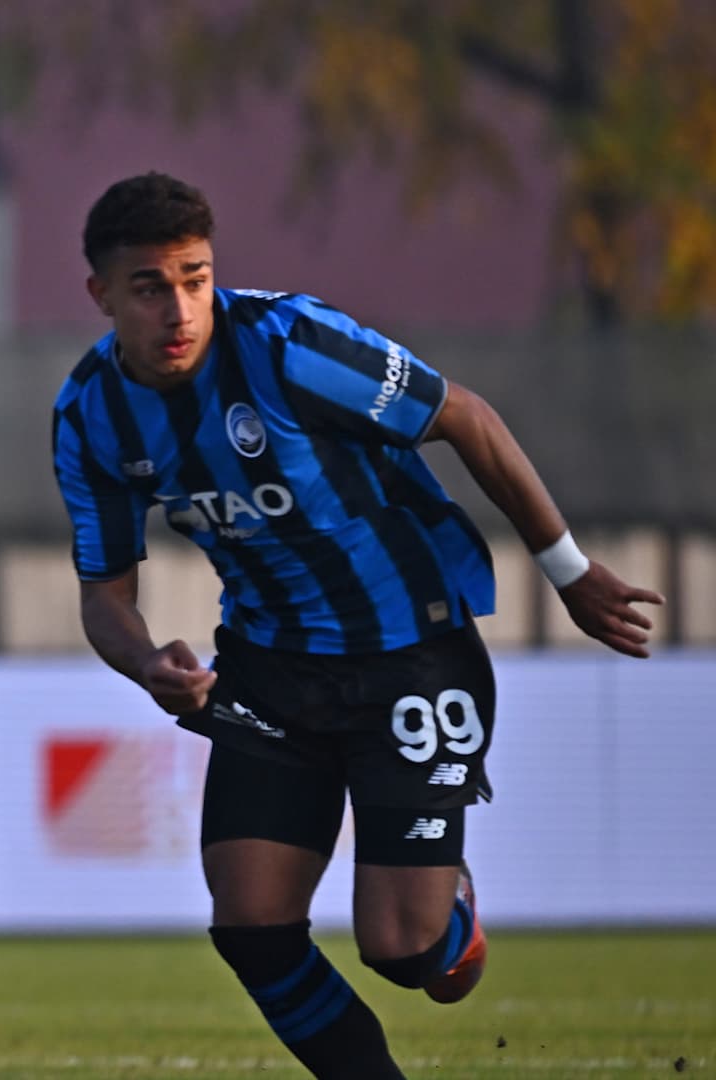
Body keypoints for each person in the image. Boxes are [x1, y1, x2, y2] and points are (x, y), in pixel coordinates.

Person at [53, 172, 663, 1079]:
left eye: (195, 278)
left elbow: (466, 417)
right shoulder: (90, 414)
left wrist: (567, 572)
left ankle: (447, 904)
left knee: (409, 955)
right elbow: (104, 594)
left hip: (412, 653)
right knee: (250, 926)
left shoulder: (291, 344)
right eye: (149, 287)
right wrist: (147, 664)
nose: (179, 309)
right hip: (269, 668)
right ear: (101, 293)